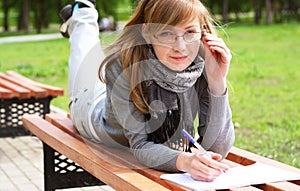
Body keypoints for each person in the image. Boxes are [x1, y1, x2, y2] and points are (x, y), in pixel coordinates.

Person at [61, 0, 235, 182]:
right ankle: (82, 11)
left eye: (190, 32)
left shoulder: (203, 62)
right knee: (86, 56)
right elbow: (140, 145)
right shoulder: (122, 66)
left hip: (117, 100)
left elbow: (217, 148)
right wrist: (185, 161)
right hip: (92, 110)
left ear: (202, 31)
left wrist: (217, 82)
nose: (180, 47)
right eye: (166, 33)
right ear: (147, 33)